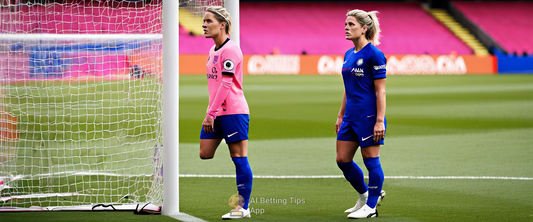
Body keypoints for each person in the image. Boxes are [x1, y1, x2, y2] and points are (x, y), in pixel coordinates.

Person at [200, 6, 253, 219]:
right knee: (205, 153)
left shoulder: (231, 49)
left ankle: (243, 207)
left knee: (239, 157)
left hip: (233, 111)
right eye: (203, 21)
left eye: (208, 21)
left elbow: (226, 83)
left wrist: (210, 113)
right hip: (217, 112)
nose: (204, 25)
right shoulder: (213, 50)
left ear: (222, 24)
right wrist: (211, 111)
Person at [335, 9, 387, 219]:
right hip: (350, 117)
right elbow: (349, 89)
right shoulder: (349, 54)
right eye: (346, 24)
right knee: (342, 159)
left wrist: (379, 121)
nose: (346, 28)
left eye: (351, 24)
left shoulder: (374, 54)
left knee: (371, 161)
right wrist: (340, 115)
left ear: (364, 29)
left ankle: (372, 207)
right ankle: (366, 195)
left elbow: (380, 91)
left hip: (368, 117)